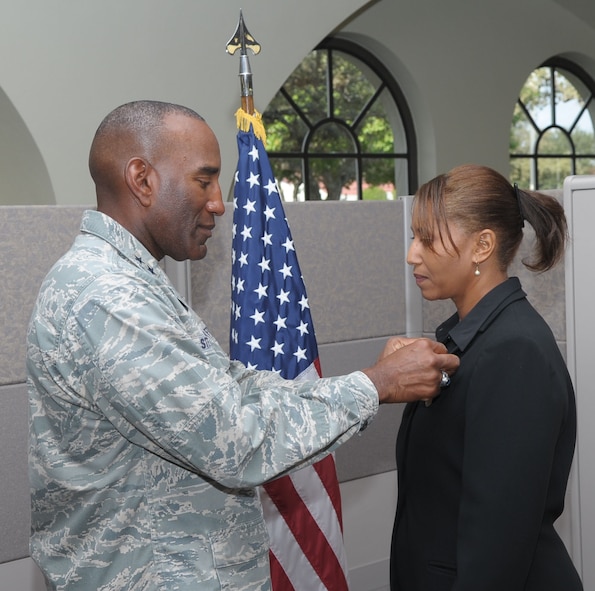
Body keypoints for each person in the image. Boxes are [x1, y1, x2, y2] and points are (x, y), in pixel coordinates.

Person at [27, 100, 459, 591]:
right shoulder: (109, 298)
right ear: (142, 179)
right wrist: (377, 385)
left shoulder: (133, 281)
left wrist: (363, 380)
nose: (217, 202)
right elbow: (235, 437)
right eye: (203, 180)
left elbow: (235, 390)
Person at [390, 163, 582, 591]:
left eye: (426, 237)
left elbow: (497, 544)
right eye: (412, 236)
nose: (412, 254)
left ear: (482, 246)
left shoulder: (514, 351)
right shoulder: (470, 337)